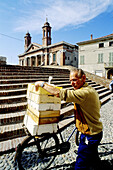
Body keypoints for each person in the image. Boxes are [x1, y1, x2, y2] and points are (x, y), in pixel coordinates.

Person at [35, 68, 103, 170]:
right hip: (95, 131)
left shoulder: (84, 93)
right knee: (93, 155)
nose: (72, 83)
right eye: (70, 80)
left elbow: (62, 94)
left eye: (74, 80)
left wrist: (42, 84)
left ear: (83, 78)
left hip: (90, 134)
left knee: (81, 161)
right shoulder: (90, 90)